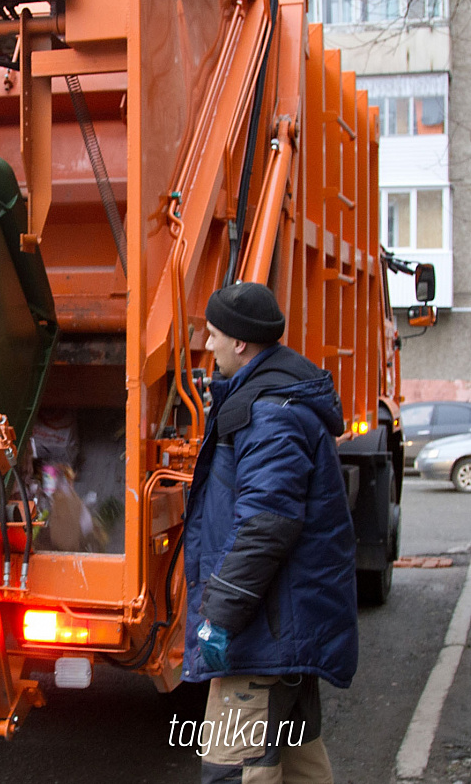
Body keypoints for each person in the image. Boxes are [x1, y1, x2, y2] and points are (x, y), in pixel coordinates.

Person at [183, 281, 358, 783]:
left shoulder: (267, 416)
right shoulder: (274, 402)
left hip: (263, 634)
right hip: (285, 628)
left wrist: (219, 617)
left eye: (214, 335)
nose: (208, 346)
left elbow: (266, 526)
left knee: (233, 771)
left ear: (241, 343)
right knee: (300, 769)